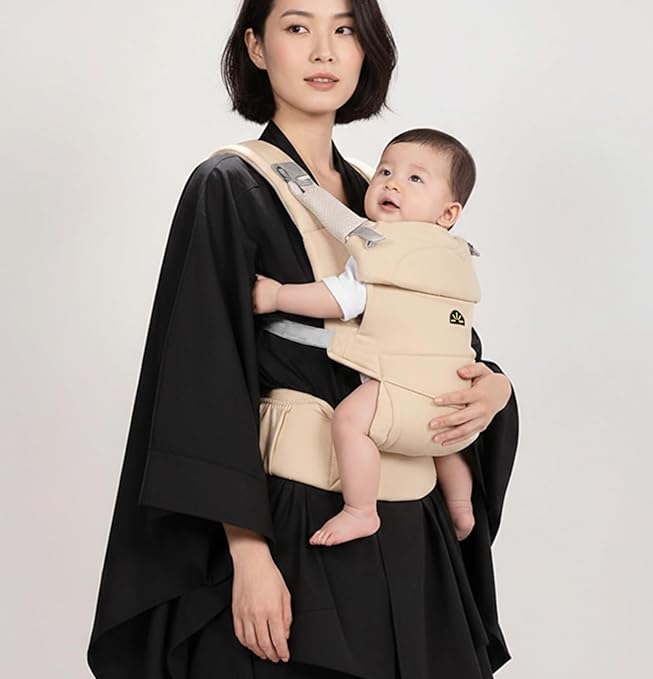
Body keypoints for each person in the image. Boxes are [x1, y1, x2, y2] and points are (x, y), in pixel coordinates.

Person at [87, 1, 519, 678]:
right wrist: (248, 554)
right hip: (296, 524)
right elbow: (203, 375)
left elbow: (435, 333)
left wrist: (494, 387)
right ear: (256, 48)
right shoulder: (228, 186)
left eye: (344, 29)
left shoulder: (385, 192)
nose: (324, 50)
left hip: (412, 525)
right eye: (297, 27)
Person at [252, 128, 481, 547]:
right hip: (454, 388)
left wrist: (277, 295)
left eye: (415, 178)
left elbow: (342, 298)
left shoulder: (386, 248)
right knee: (443, 440)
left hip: (399, 385)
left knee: (349, 421)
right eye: (385, 171)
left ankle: (360, 510)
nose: (392, 184)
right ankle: (461, 503)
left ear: (448, 213)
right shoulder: (457, 254)